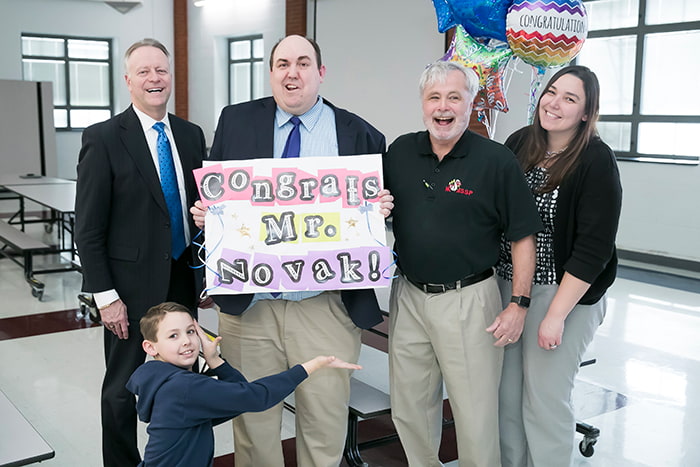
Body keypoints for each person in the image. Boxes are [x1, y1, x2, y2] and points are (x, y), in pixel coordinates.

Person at [190, 34, 393, 466]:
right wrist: (211, 215)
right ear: (271, 73)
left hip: (326, 308)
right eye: (282, 64)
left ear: (320, 73)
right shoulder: (236, 121)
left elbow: (375, 216)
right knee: (253, 424)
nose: (292, 73)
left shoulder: (361, 135)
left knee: (324, 422)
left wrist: (381, 211)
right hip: (252, 308)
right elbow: (221, 201)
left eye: (303, 63)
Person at [382, 60, 542, 467]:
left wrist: (519, 304)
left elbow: (524, 234)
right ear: (422, 103)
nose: (443, 106)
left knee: (474, 415)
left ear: (472, 102)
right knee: (410, 407)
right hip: (409, 294)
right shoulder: (400, 151)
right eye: (434, 97)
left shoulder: (495, 161)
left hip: (469, 300)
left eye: (455, 96)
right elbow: (369, 208)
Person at [74, 38, 206, 467]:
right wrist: (106, 297)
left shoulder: (190, 135)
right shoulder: (104, 138)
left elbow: (194, 207)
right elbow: (88, 228)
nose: (155, 79)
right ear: (128, 81)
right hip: (128, 292)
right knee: (121, 389)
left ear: (171, 78)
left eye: (161, 71)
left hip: (182, 277)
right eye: (144, 72)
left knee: (184, 379)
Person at [495, 65, 622, 467]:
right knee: (507, 395)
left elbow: (593, 248)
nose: (555, 103)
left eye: (570, 99)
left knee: (545, 399)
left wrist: (555, 315)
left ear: (587, 113)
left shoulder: (595, 161)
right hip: (510, 286)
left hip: (563, 294)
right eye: (552, 92)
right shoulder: (520, 142)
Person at [126, 302, 361, 467]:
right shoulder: (183, 388)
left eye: (190, 331)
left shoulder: (161, 379)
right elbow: (255, 397)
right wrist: (310, 366)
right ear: (150, 347)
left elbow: (238, 401)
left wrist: (216, 361)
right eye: (173, 336)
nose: (187, 341)